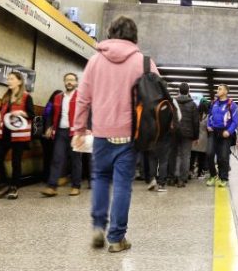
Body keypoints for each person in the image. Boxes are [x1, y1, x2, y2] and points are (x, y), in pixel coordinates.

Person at [72, 16, 159, 253]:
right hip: (130, 135)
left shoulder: (95, 61)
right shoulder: (145, 62)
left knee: (100, 178)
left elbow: (82, 98)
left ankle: (98, 226)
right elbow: (157, 99)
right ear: (134, 36)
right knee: (122, 184)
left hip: (101, 133)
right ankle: (116, 238)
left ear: (110, 33)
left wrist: (79, 129)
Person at [0, 71, 35, 200]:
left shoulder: (26, 97)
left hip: (18, 135)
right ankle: (4, 183)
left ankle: (14, 187)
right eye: (8, 79)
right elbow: (0, 109)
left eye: (11, 79)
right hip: (4, 133)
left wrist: (21, 113)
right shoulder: (6, 96)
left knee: (16, 162)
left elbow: (31, 114)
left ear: (19, 81)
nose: (8, 81)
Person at [41, 73, 83, 197]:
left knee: (75, 159)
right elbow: (51, 113)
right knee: (57, 158)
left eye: (72, 80)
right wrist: (49, 126)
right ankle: (52, 187)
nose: (69, 82)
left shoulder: (82, 96)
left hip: (76, 132)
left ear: (76, 82)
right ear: (64, 82)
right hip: (60, 132)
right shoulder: (58, 97)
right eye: (67, 80)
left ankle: (76, 186)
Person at [206, 84, 238, 188]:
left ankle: (223, 178)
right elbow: (210, 116)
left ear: (225, 91)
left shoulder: (232, 105)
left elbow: (235, 121)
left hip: (225, 134)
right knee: (209, 153)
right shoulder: (214, 103)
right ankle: (213, 175)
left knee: (223, 157)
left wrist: (229, 131)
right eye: (218, 89)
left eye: (220, 89)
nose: (217, 90)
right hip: (213, 132)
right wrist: (208, 125)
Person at [173, 83, 198, 188]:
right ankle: (182, 179)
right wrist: (196, 136)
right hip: (188, 134)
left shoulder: (174, 102)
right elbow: (195, 122)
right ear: (188, 91)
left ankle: (176, 176)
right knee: (186, 156)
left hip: (175, 133)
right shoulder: (193, 104)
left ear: (179, 91)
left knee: (177, 155)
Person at [190, 99, 209, 178]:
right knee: (202, 158)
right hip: (204, 139)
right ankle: (199, 173)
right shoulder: (207, 116)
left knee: (192, 156)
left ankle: (190, 171)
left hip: (195, 138)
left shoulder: (195, 115)